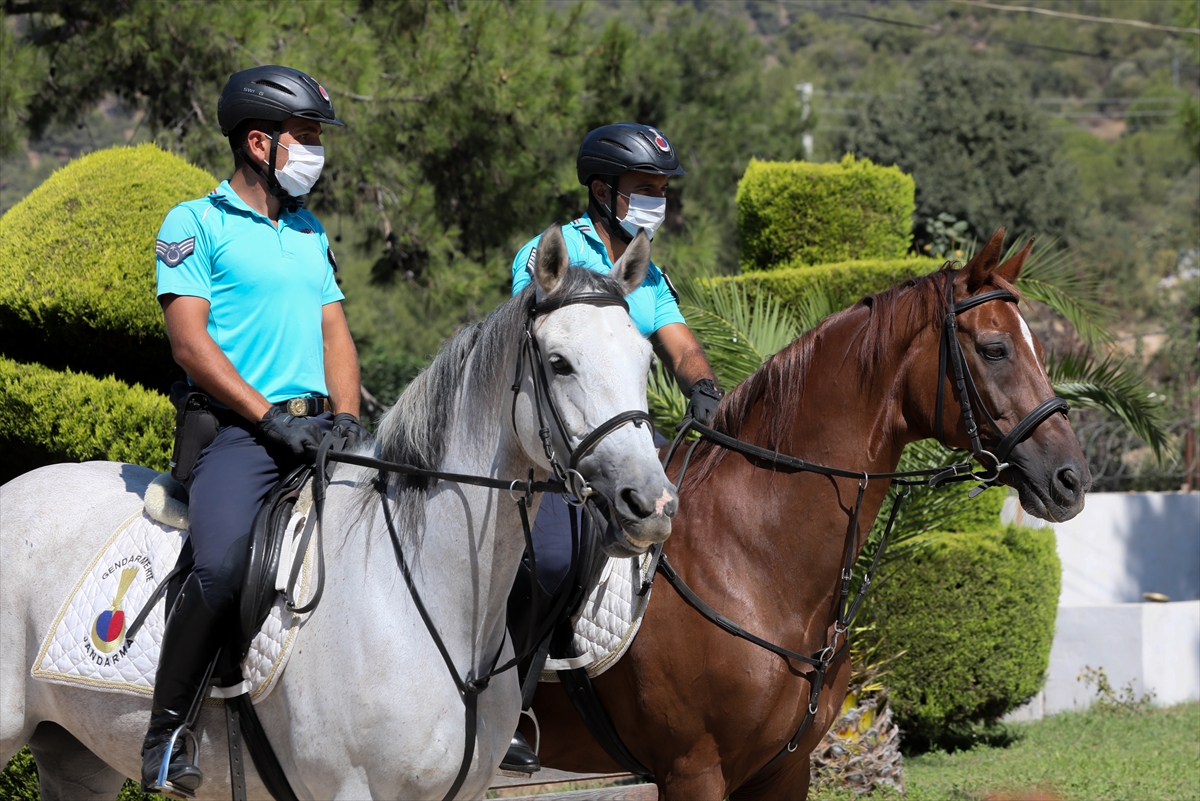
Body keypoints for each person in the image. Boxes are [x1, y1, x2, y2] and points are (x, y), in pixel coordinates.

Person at [141, 65, 366, 795]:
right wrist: (270, 418)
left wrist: (350, 418)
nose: (315, 151)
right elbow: (190, 345)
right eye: (304, 137)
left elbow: (335, 333)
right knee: (224, 566)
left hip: (317, 431)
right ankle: (168, 731)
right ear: (259, 142)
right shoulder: (194, 223)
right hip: (239, 435)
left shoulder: (308, 232)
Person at [501, 122, 721, 774]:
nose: (657, 200)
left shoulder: (644, 268)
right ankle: (509, 706)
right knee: (553, 556)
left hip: (630, 439)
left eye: (661, 189)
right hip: (560, 443)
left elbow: (679, 342)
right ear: (602, 190)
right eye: (645, 188)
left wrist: (703, 387)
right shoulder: (550, 252)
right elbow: (527, 331)